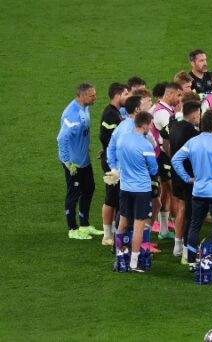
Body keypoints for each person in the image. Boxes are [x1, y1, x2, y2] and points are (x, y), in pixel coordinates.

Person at [172, 110, 212, 273]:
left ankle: (192, 262)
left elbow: (175, 160)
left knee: (194, 226)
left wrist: (188, 178)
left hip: (198, 192)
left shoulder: (193, 142)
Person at [114, 111, 158, 272]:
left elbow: (118, 157)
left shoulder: (122, 139)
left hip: (125, 187)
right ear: (145, 124)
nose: (151, 128)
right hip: (141, 189)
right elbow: (154, 169)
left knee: (123, 222)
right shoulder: (145, 144)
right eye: (150, 125)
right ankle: (133, 263)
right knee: (139, 225)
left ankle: (120, 259)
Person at [57, 83, 101, 240]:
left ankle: (84, 224)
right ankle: (72, 228)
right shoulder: (73, 115)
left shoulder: (85, 108)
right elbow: (61, 138)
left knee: (89, 188)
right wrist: (67, 162)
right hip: (74, 164)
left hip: (84, 160)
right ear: (82, 96)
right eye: (92, 95)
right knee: (73, 194)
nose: (95, 97)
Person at [168, 101, 201, 262]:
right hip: (188, 177)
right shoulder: (193, 133)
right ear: (195, 114)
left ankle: (177, 246)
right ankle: (188, 253)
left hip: (176, 175)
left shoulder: (175, 126)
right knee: (191, 215)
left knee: (181, 208)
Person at [99, 83, 130, 245]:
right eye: (125, 93)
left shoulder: (115, 113)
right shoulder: (110, 114)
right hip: (111, 163)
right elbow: (105, 138)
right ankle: (106, 236)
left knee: (117, 198)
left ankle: (113, 231)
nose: (128, 96)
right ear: (117, 95)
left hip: (114, 160)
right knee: (111, 198)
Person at [150, 82, 182, 240]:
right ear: (169, 95)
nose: (180, 99)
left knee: (167, 193)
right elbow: (172, 134)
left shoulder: (166, 110)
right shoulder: (162, 113)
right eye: (178, 95)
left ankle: (163, 229)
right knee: (175, 194)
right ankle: (179, 233)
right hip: (165, 155)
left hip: (163, 156)